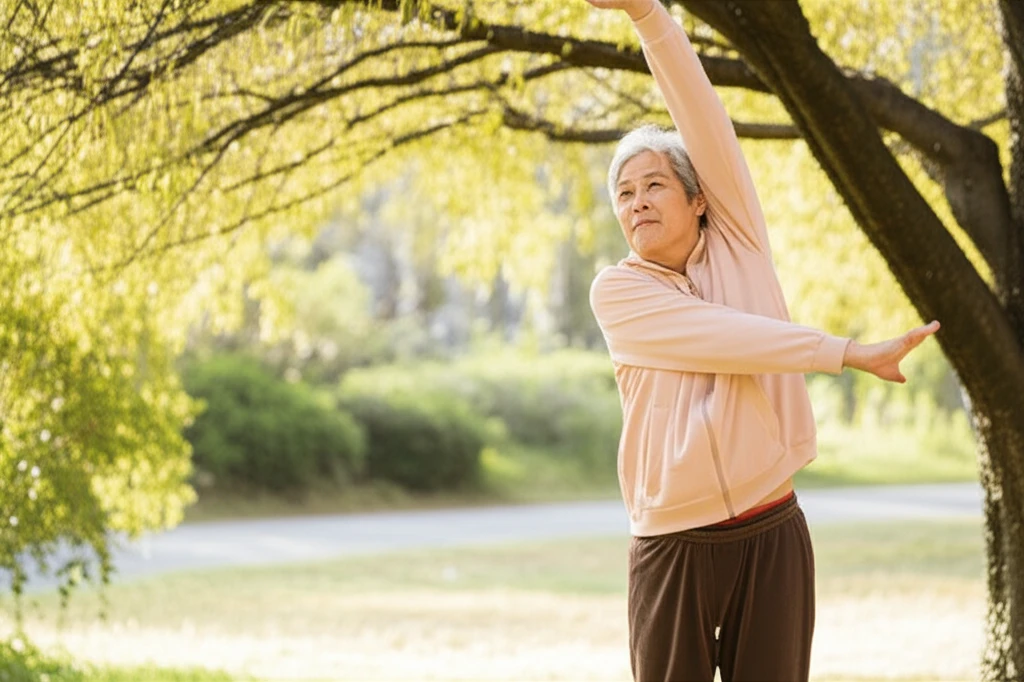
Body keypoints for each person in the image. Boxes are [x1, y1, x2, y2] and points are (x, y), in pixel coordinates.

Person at [583, 0, 941, 680]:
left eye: (655, 183)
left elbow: (702, 119)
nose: (637, 202)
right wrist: (846, 352)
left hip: (771, 526)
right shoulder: (619, 293)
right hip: (671, 542)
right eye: (624, 195)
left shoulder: (739, 240)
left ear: (698, 199)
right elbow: (725, 338)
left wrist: (646, 14)